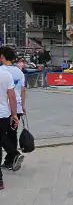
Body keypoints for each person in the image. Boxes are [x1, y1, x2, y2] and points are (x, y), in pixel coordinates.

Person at [0, 47, 25, 172]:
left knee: (3, 136)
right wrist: (23, 106)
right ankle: (11, 161)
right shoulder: (19, 71)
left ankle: (12, 157)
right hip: (17, 106)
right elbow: (22, 90)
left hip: (6, 106)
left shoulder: (2, 71)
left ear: (2, 57)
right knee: (12, 134)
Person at [0, 62, 19, 191]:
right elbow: (11, 97)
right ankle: (14, 153)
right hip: (3, 115)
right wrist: (14, 114)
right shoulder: (6, 75)